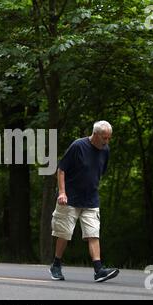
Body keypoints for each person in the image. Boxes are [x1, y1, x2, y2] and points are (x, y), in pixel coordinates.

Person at [49, 120, 119, 282]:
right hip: (69, 199)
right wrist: (62, 192)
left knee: (93, 234)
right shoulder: (78, 146)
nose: (107, 142)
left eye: (109, 138)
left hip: (91, 200)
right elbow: (61, 169)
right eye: (104, 138)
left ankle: (98, 270)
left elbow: (100, 172)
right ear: (95, 134)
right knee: (64, 234)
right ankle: (56, 265)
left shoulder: (105, 150)